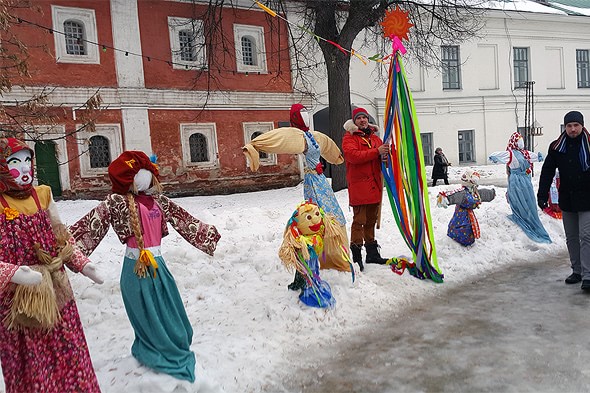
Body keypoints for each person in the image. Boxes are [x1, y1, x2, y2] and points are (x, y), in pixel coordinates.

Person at [70, 151, 221, 382]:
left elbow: (184, 219)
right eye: (140, 174)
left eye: (148, 173)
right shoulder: (116, 201)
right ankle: (154, 351)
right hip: (135, 269)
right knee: (146, 314)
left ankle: (172, 346)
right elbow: (89, 226)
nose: (146, 178)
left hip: (158, 266)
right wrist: (63, 247)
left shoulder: (159, 201)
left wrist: (206, 233)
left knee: (170, 311)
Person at [0, 137, 102, 393]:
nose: (24, 169)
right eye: (14, 162)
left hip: (56, 293)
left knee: (69, 350)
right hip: (18, 303)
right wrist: (13, 274)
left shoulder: (42, 195)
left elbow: (61, 238)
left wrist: (82, 263)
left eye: (27, 161)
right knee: (32, 361)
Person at [242, 104, 353, 282]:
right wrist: (255, 145)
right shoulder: (297, 137)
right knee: (316, 216)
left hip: (321, 179)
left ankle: (335, 257)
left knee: (333, 214)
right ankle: (319, 258)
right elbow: (278, 139)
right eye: (301, 114)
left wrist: (336, 157)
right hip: (313, 181)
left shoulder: (314, 136)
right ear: (295, 118)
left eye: (306, 114)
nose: (306, 117)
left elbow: (328, 146)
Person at [537, 110, 590, 291]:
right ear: (565, 127)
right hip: (567, 197)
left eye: (576, 125)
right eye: (569, 126)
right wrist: (542, 195)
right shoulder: (557, 147)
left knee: (586, 236)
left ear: (582, 126)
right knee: (572, 237)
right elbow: (547, 172)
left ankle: (588, 274)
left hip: (588, 197)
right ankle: (577, 271)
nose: (573, 129)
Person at [342, 107, 390, 267]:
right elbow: (353, 156)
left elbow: (383, 160)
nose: (362, 120)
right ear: (354, 122)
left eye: (364, 117)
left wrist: (386, 157)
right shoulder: (349, 138)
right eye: (359, 118)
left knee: (371, 220)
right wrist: (376, 151)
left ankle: (372, 253)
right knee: (359, 221)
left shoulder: (376, 138)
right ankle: (356, 256)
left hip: (374, 186)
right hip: (359, 187)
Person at [489, 132, 551, 243]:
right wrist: (495, 157)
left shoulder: (525, 153)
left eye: (521, 139)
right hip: (516, 180)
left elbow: (536, 157)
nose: (521, 142)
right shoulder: (511, 154)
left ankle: (529, 216)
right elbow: (499, 155)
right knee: (518, 199)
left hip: (526, 180)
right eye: (519, 140)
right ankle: (522, 215)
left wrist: (539, 157)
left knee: (528, 199)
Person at [278, 201, 343, 308]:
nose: (315, 220)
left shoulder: (316, 235)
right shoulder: (302, 240)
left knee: (312, 268)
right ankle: (309, 288)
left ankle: (302, 282)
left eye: (317, 215)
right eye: (308, 218)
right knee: (308, 270)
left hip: (312, 258)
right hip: (306, 258)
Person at [437, 170, 496, 246]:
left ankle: (466, 238)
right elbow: (454, 196)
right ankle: (460, 238)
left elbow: (481, 194)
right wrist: (444, 198)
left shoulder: (472, 192)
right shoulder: (463, 193)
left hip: (468, 214)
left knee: (467, 226)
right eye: (474, 181)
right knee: (462, 226)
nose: (476, 184)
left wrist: (491, 194)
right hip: (461, 215)